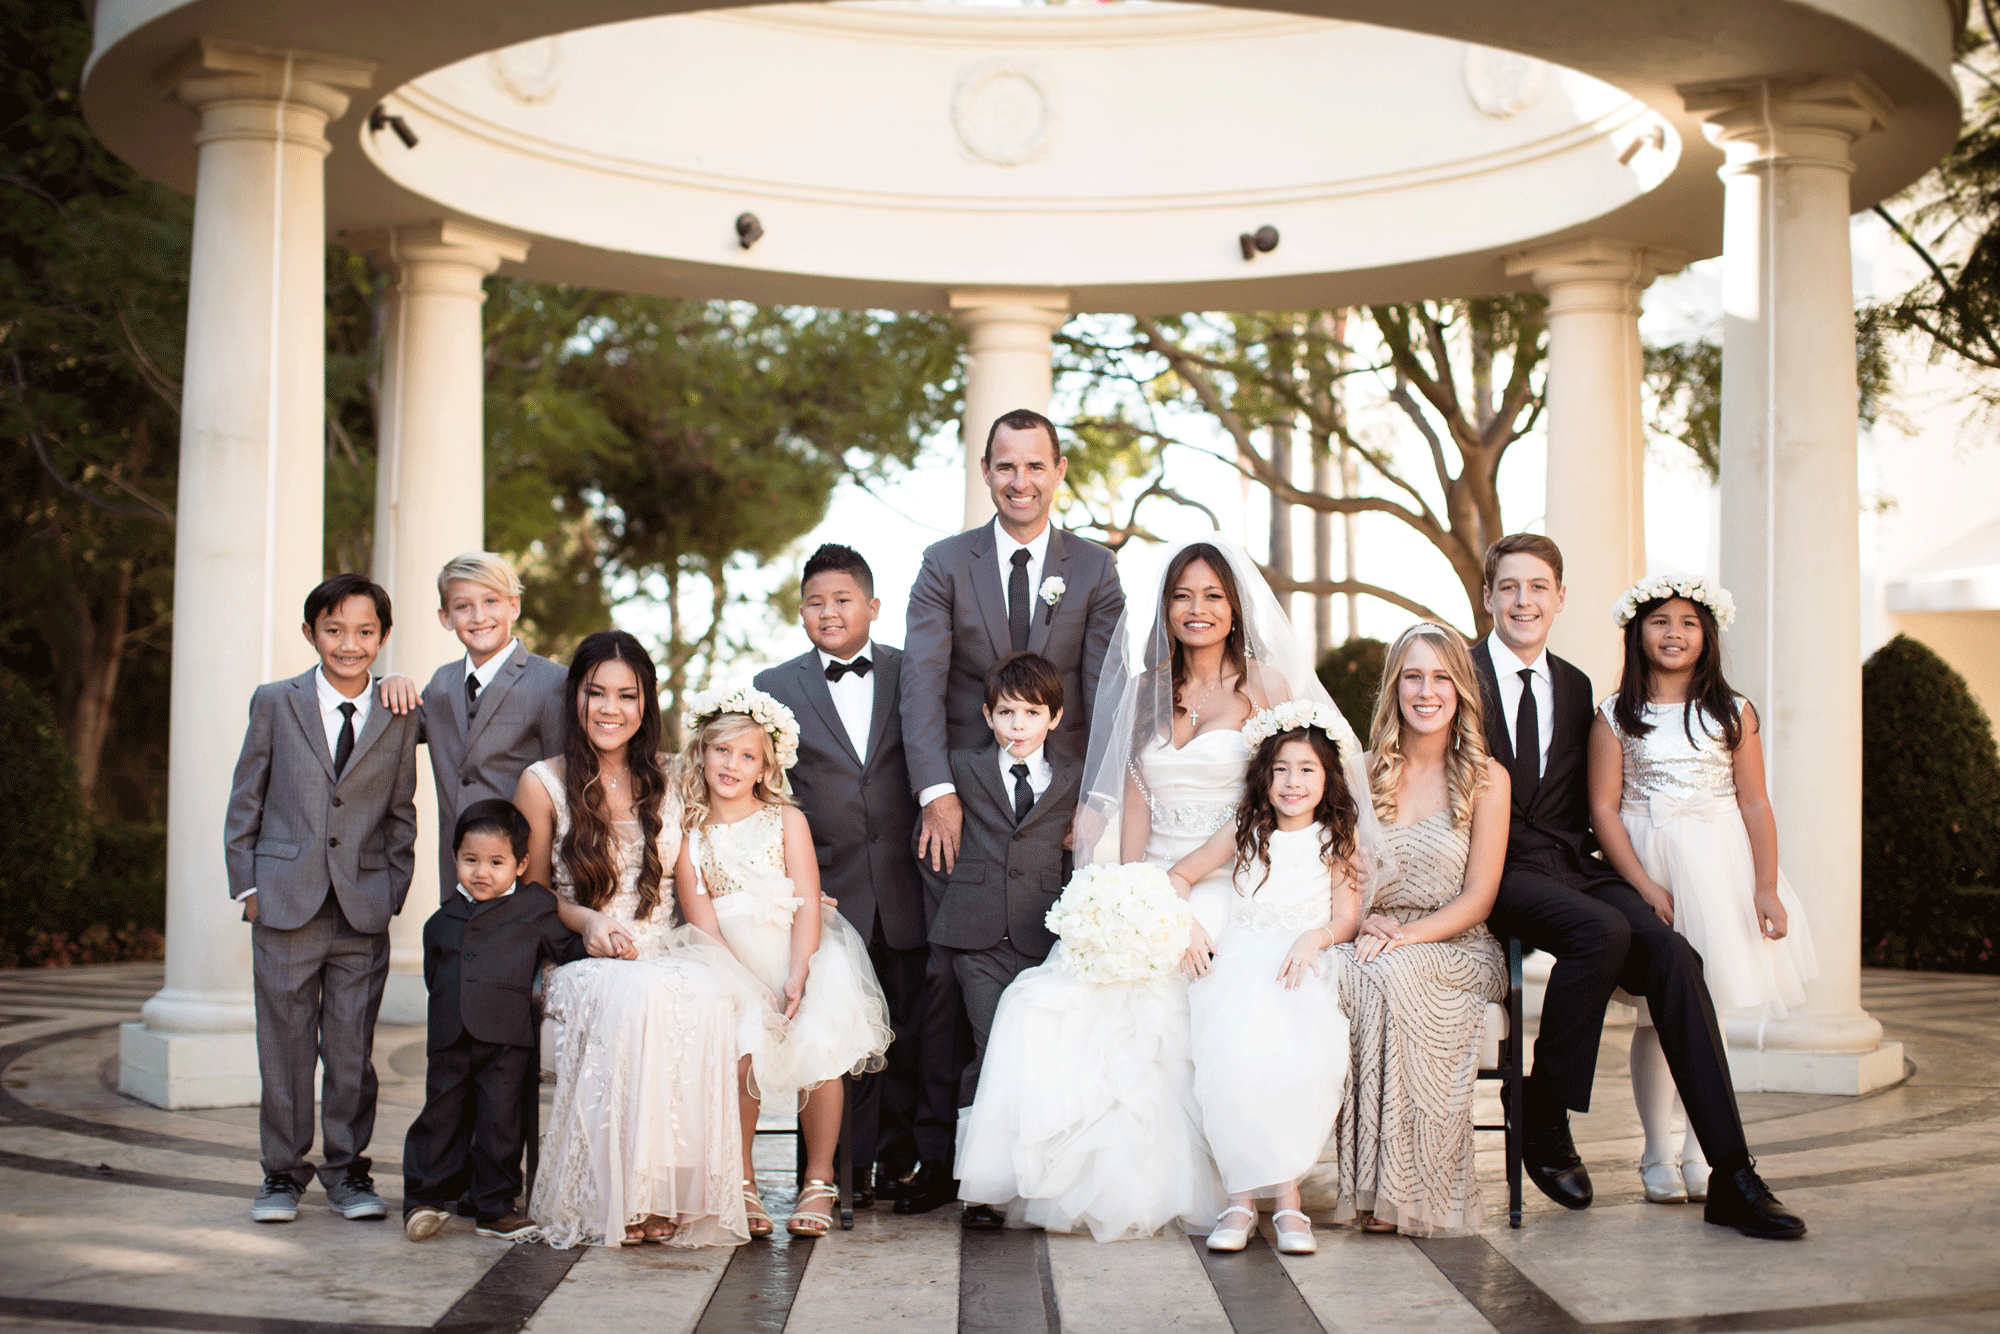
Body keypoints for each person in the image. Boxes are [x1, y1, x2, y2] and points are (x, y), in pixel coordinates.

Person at [956, 535, 1390, 1242]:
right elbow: (1133, 799)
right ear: (1164, 606)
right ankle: (1052, 1170)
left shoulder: (1269, 688)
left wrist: (1336, 858)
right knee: (1044, 999)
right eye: (1183, 595)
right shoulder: (1144, 685)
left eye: (1213, 595)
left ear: (1236, 606)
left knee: (1187, 988)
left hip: (1233, 879)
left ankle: (1245, 1182)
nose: (1197, 609)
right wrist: (1126, 893)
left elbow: (1305, 780)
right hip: (1153, 878)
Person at [1468, 534, 1806, 1239]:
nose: (1524, 600)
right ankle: (1546, 1109)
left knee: (1678, 958)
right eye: (1509, 587)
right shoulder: (1456, 675)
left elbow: (1587, 803)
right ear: (1489, 596)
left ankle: (1732, 1174)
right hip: (1495, 869)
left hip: (1573, 865)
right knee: (1604, 930)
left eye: (1539, 587)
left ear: (1561, 599)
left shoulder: (1574, 684)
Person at [899, 406, 1125, 1214]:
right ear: (985, 471)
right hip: (960, 808)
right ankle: (939, 1162)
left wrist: (1092, 803)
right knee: (944, 990)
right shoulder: (943, 564)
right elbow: (921, 683)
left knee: (1047, 984)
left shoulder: (1095, 570)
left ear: (1059, 471)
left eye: (1035, 466)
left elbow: (1103, 693)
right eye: (1005, 466)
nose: (1020, 481)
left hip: (1055, 812)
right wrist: (937, 794)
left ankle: (1039, 1159)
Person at [514, 631, 766, 1249]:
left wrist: (746, 954)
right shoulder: (542, 782)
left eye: (626, 696)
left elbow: (697, 889)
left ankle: (669, 1197)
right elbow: (531, 893)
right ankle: (618, 1197)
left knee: (707, 995)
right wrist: (589, 923)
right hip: (583, 958)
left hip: (663, 946)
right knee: (639, 1000)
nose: (610, 708)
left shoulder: (673, 779)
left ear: (645, 704)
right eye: (596, 692)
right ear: (575, 697)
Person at [1590, 576, 1819, 1204]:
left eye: (1688, 623)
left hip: (1721, 866)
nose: (1673, 633)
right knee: (1654, 1014)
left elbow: (1755, 801)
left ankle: (1703, 1152)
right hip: (1649, 861)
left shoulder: (1732, 711)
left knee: (1705, 1011)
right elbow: (1604, 808)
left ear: (1707, 635)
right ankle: (1655, 1151)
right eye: (1660, 621)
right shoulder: (1615, 715)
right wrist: (1641, 884)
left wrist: (1765, 887)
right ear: (1638, 633)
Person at [225, 573, 420, 1225]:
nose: (349, 643)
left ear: (383, 637)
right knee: (282, 1048)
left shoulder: (399, 714)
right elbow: (246, 796)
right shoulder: (275, 702)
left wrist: (392, 889)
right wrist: (248, 886)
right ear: (310, 633)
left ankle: (347, 1170)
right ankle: (281, 1175)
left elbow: (401, 812)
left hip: (361, 909)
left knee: (349, 1049)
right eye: (334, 630)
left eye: (365, 632)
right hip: (283, 902)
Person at [675, 686, 893, 1239]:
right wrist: (746, 986)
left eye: (747, 756)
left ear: (765, 767)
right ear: (701, 752)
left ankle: (819, 1179)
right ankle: (742, 1180)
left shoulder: (785, 820)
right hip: (725, 964)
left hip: (799, 954)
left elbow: (807, 900)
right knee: (741, 1047)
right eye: (722, 751)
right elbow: (701, 920)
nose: (732, 764)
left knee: (819, 1039)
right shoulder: (690, 832)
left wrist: (797, 976)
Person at [753, 544, 928, 1207]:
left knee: (905, 1029)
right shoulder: (774, 688)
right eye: (815, 603)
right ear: (801, 613)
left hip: (909, 879)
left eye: (842, 600)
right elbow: (769, 796)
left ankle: (899, 1165)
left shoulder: (913, 673)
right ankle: (833, 1172)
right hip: (827, 887)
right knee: (834, 1038)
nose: (828, 612)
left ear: (873, 607)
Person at [1332, 623, 1509, 1238]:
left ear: (1460, 690)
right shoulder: (1357, 773)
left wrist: (1404, 937)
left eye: (1440, 677)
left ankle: (1411, 1192)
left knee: (1390, 972)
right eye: (1413, 677)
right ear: (1394, 688)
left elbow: (1479, 899)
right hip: (1372, 936)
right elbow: (1347, 891)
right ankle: (1368, 1189)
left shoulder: (1486, 779)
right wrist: (1365, 927)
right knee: (1352, 972)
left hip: (1456, 945)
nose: (1426, 691)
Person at [1168, 705, 1364, 1256]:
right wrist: (1187, 925)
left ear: (1327, 779)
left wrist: (1315, 938)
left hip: (1301, 966)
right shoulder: (1244, 829)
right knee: (1234, 1063)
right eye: (1280, 769)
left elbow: (1347, 917)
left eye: (1306, 769)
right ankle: (1238, 1202)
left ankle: (1287, 1202)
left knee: (1297, 1064)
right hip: (1240, 964)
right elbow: (1179, 874)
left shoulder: (1336, 838)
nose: (1292, 782)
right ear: (1264, 776)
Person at [927, 652, 1081, 1231]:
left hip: (1045, 934)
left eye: (1032, 713)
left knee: (1039, 1050)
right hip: (978, 938)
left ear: (1055, 717)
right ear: (987, 716)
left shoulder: (1072, 778)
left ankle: (1038, 1174)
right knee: (990, 1047)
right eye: (1007, 713)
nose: (1018, 726)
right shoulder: (961, 769)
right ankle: (982, 1184)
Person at [402, 800, 586, 1243]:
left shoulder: (535, 907)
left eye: (496, 862)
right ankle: (424, 1199)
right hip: (449, 1036)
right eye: (470, 861)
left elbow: (568, 949)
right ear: (455, 859)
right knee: (441, 1116)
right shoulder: (440, 920)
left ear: (521, 864)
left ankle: (495, 1206)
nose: (481, 872)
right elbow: (434, 973)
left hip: (507, 1039)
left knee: (501, 1122)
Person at [375, 552, 570, 902]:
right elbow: (396, 725)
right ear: (445, 617)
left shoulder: (553, 682)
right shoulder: (440, 684)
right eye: (463, 606)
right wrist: (387, 680)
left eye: (491, 601)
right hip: (457, 876)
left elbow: (564, 786)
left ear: (514, 606)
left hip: (525, 878)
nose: (479, 617)